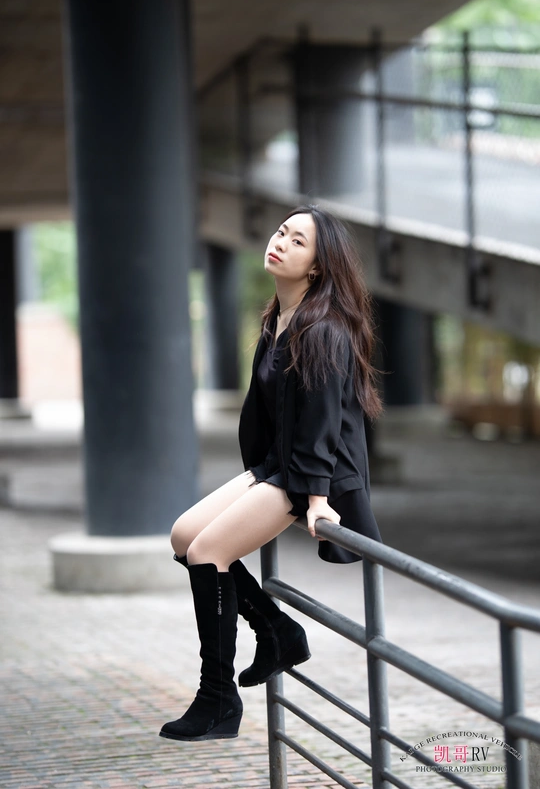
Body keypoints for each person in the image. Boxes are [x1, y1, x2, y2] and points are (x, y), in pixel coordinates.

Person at [159, 204, 384, 743]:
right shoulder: (277, 320)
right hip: (278, 464)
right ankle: (276, 629)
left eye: (297, 240)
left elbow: (323, 422)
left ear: (317, 266)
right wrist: (257, 478)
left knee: (207, 553)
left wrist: (316, 501)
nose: (279, 242)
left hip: (314, 473)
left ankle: (217, 699)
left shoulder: (324, 329)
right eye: (281, 231)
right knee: (184, 536)